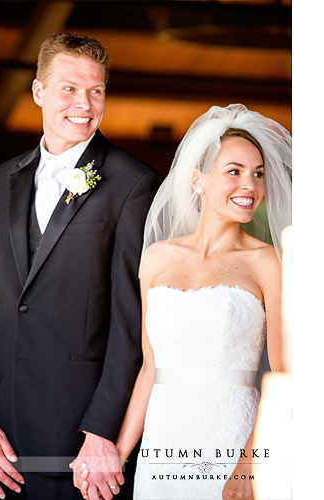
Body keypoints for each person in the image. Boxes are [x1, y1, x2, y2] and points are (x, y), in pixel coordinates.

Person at [0, 32, 162, 500]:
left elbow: (132, 321)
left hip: (80, 439)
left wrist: (102, 431)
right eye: (69, 88)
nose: (84, 104)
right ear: (38, 92)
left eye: (96, 90)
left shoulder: (134, 185)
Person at [74, 104, 291, 499]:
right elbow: (149, 368)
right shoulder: (157, 257)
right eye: (234, 172)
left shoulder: (267, 263)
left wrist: (249, 463)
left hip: (234, 437)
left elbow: (283, 375)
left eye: (258, 174)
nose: (251, 186)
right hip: (163, 439)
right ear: (197, 180)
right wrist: (119, 453)